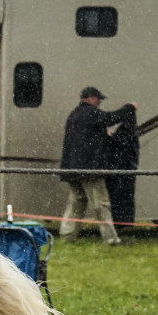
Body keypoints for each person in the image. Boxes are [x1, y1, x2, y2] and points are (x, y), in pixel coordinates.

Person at [58, 86, 137, 245]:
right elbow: (111, 117)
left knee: (76, 201)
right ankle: (111, 239)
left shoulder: (74, 115)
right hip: (89, 169)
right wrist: (129, 108)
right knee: (101, 204)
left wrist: (103, 134)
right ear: (89, 99)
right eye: (98, 98)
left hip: (72, 168)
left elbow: (85, 138)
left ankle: (67, 235)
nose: (100, 102)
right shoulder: (90, 113)